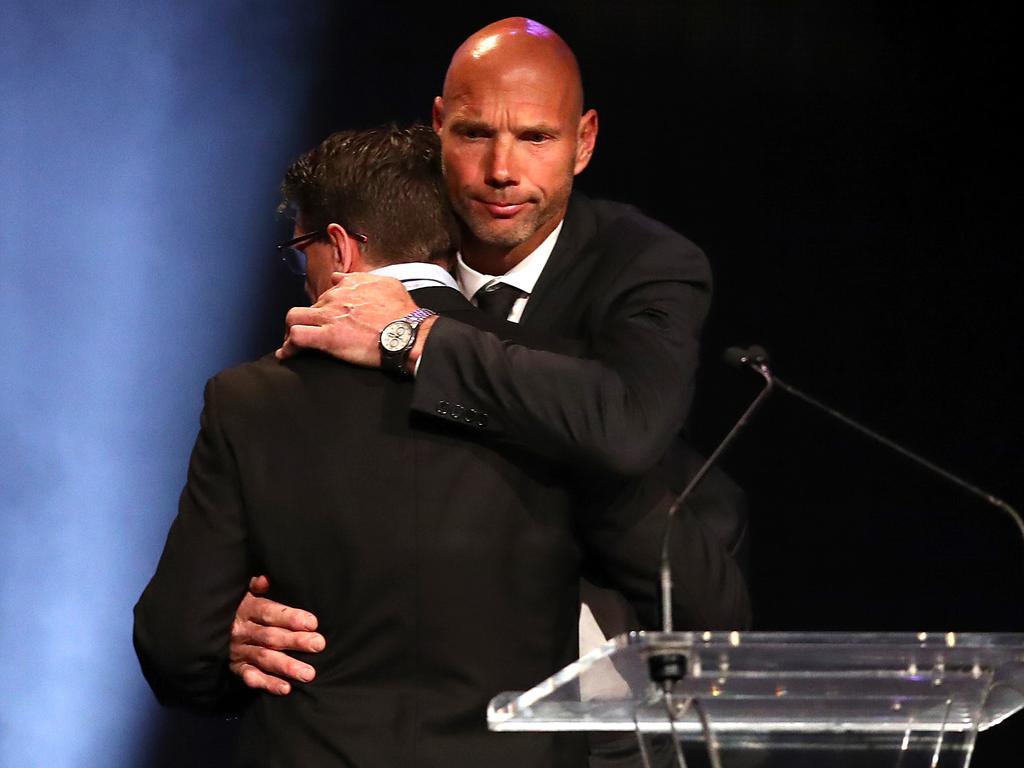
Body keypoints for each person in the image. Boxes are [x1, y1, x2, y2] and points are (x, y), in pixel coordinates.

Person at [134, 124, 747, 768]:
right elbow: (702, 602)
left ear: (338, 249)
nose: (303, 274)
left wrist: (231, 648)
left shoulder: (249, 399)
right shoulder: (556, 390)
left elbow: (176, 645)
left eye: (301, 251)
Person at [228, 16, 749, 699]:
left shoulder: (646, 266)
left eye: (536, 138)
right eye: (476, 134)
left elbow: (624, 428)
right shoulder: (384, 244)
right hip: (390, 680)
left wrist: (414, 337)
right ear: (439, 124)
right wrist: (243, 610)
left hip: (598, 672)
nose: (502, 172)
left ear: (583, 142)